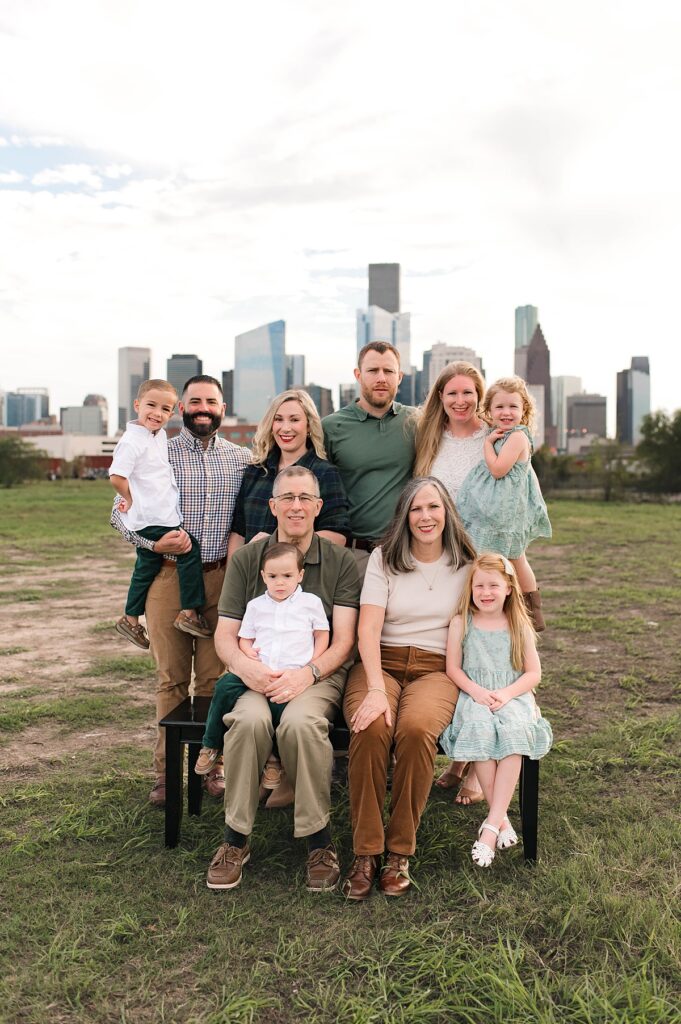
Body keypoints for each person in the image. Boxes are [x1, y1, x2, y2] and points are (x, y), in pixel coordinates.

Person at [206, 465, 360, 893]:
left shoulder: (341, 562)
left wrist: (306, 674)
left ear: (318, 506)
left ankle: (319, 841)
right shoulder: (247, 560)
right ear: (272, 506)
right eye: (287, 498)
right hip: (257, 672)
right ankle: (235, 839)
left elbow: (343, 641)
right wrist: (247, 668)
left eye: (304, 498)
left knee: (300, 724)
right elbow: (225, 634)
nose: (296, 506)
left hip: (317, 673)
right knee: (249, 722)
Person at [111, 375, 251, 806]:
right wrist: (152, 543)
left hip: (221, 580)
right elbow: (118, 515)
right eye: (194, 401)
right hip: (169, 577)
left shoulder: (243, 460)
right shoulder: (157, 451)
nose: (202, 407)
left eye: (211, 401)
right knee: (171, 679)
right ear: (181, 409)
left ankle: (212, 767)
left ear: (223, 408)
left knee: (215, 679)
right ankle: (166, 774)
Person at [341, 477, 476, 900]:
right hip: (381, 661)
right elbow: (368, 629)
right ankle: (366, 852)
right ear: (404, 516)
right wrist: (377, 689)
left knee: (417, 731)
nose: (426, 517)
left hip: (437, 668)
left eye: (433, 507)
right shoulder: (384, 559)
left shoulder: (467, 564)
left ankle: (399, 851)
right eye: (416, 509)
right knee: (371, 727)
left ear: (447, 512)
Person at [439, 553, 552, 866]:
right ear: (470, 588)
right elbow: (453, 668)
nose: (485, 592)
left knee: (514, 735)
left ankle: (489, 828)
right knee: (480, 731)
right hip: (474, 695)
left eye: (493, 585)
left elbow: (533, 674)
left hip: (513, 696)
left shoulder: (518, 624)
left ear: (509, 588)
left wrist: (506, 693)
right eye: (479, 586)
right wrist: (476, 691)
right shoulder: (462, 621)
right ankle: (500, 819)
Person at [194, 542, 329, 789]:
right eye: (273, 576)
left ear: (300, 575)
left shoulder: (311, 603)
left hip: (291, 672)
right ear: (263, 576)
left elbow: (322, 634)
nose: (280, 582)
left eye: (287, 576)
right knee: (224, 686)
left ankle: (274, 761)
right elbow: (245, 637)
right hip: (259, 670)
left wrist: (311, 663)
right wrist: (248, 656)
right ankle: (211, 744)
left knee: (281, 709)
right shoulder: (256, 605)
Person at [414, 360, 488, 803]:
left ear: (479, 395)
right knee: (449, 652)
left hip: (481, 559)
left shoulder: (494, 437)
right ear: (439, 398)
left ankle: (476, 767)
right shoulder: (428, 438)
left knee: (483, 655)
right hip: (440, 559)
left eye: (468, 393)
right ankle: (458, 758)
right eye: (451, 394)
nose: (460, 401)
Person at [110, 378, 211, 650]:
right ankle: (189, 613)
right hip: (151, 518)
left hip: (157, 514)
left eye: (164, 409)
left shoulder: (159, 435)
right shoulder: (132, 440)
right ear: (137, 405)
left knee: (146, 567)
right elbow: (117, 477)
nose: (157, 413)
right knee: (189, 550)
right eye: (151, 406)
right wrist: (129, 498)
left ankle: (130, 619)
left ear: (173, 412)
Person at [456, 375, 552, 629]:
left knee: (515, 557)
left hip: (506, 512)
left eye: (513, 407)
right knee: (502, 559)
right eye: (499, 407)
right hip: (495, 509)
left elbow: (498, 469)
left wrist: (487, 443)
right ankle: (497, 609)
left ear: (524, 411)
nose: (506, 412)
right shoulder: (502, 432)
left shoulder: (517, 437)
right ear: (489, 410)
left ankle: (533, 611)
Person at [323, 342, 416, 578]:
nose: (381, 378)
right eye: (373, 371)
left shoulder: (416, 422)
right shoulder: (331, 427)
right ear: (358, 375)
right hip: (353, 554)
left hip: (404, 553)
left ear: (400, 377)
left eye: (389, 371)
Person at [229, 389, 351, 553]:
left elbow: (337, 535)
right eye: (278, 419)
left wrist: (275, 544)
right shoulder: (255, 471)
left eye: (294, 420)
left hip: (301, 575)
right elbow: (238, 532)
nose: (285, 428)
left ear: (308, 425)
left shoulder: (325, 473)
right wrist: (233, 576)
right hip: (253, 574)